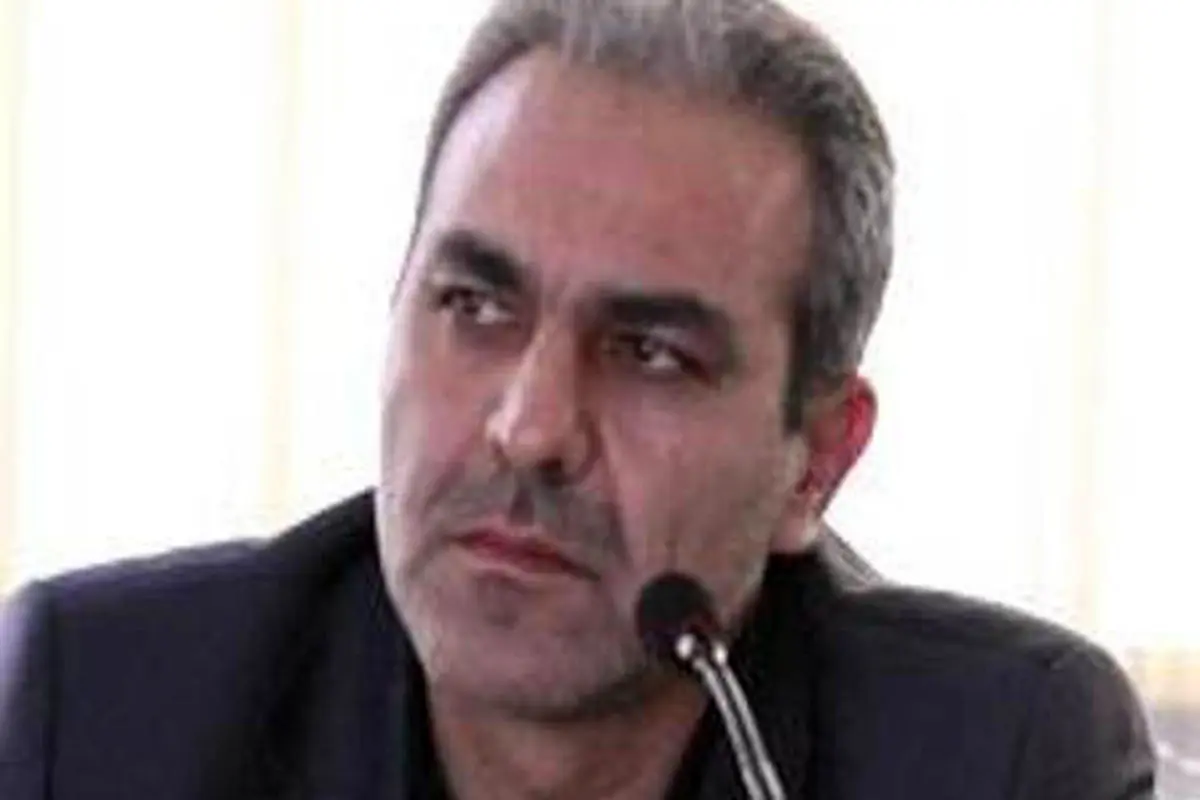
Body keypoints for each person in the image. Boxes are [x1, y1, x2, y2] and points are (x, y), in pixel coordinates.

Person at [0, 0, 1157, 797]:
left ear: (815, 460)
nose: (530, 427)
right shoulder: (106, 712)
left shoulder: (992, 757)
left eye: (650, 351)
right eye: (474, 304)